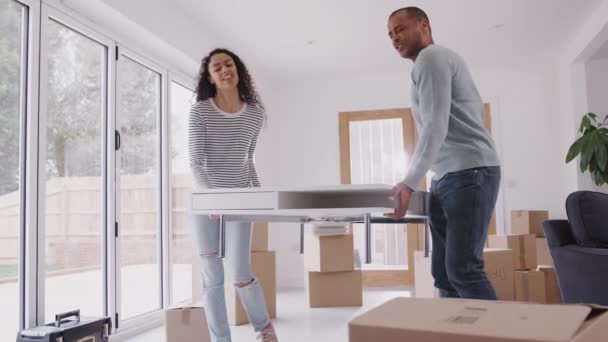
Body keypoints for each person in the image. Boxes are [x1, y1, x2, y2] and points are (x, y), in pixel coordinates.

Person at [386, 7, 501, 300]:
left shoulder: (432, 57)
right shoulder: (431, 62)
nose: (394, 38)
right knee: (444, 274)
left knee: (463, 269)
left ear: (423, 25)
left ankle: (501, 332)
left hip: (468, 171)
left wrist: (409, 182)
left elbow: (435, 126)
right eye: (390, 34)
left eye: (399, 29)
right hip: (447, 177)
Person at [189, 48, 278, 342]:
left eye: (229, 64)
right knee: (212, 277)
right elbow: (196, 162)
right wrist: (213, 199)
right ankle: (220, 339)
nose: (225, 69)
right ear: (211, 77)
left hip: (240, 201)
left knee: (240, 273)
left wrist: (261, 195)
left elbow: (248, 159)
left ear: (238, 70)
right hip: (206, 204)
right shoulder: (200, 111)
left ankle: (264, 329)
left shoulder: (255, 114)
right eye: (217, 67)